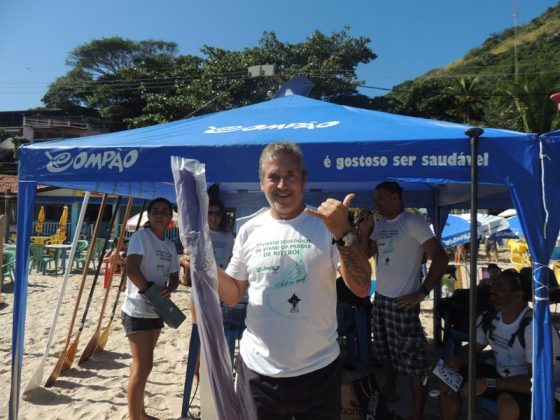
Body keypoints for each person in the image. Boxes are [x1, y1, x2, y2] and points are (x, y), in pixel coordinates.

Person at [182, 141, 371, 419]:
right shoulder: (249, 229)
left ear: (304, 180)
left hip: (318, 372)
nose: (282, 184)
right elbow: (233, 294)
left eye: (290, 176)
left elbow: (362, 287)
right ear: (262, 183)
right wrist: (205, 264)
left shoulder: (326, 225)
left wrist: (344, 233)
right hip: (259, 374)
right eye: (274, 176)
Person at [359, 181, 449, 420]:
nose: (376, 202)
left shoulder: (413, 222)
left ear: (395, 197)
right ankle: (390, 389)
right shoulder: (380, 224)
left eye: (381, 198)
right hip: (382, 299)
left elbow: (441, 257)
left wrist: (422, 292)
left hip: (403, 301)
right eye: (375, 198)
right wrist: (365, 230)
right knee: (385, 350)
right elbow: (364, 254)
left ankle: (417, 414)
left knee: (414, 363)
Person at [439, 269, 560, 420]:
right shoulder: (489, 318)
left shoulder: (535, 328)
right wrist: (459, 360)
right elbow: (472, 348)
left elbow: (537, 381)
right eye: (493, 285)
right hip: (501, 376)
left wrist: (490, 383)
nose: (493, 290)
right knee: (447, 379)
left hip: (544, 389)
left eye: (500, 287)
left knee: (506, 405)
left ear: (518, 296)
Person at [121, 197, 180, 420]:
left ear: (170, 218)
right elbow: (132, 269)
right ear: (149, 215)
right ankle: (135, 417)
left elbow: (174, 277)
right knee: (143, 366)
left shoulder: (169, 245)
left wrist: (168, 290)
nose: (159, 214)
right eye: (155, 211)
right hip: (137, 309)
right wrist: (152, 293)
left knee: (142, 365)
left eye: (165, 211)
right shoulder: (140, 237)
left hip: (157, 310)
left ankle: (140, 412)